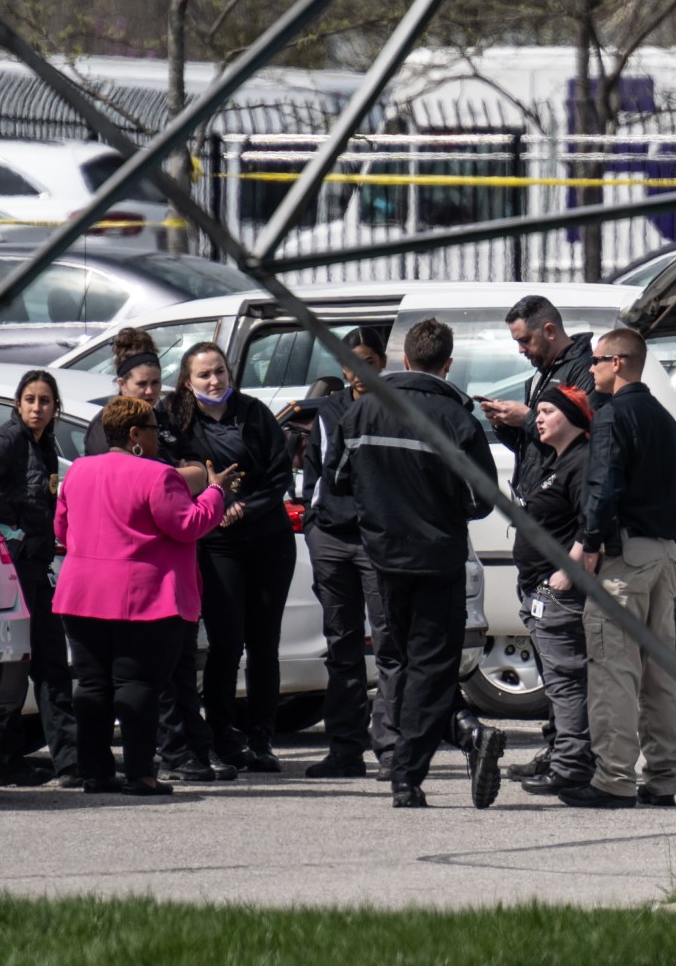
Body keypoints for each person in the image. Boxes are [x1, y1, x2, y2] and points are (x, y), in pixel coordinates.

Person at [332, 317, 502, 808]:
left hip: (383, 559)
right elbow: (483, 499)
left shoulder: (361, 414)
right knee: (430, 666)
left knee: (402, 664)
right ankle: (411, 769)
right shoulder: (457, 421)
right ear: (447, 364)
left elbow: (340, 481)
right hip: (437, 558)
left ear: (404, 360)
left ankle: (450, 741)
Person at [54, 395, 237, 795]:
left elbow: (62, 531)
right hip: (142, 598)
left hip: (81, 595)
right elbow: (187, 525)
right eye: (154, 430)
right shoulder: (158, 476)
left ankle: (96, 773)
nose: (159, 437)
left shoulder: (78, 471)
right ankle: (140, 774)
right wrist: (215, 493)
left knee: (93, 686)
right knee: (137, 686)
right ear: (135, 434)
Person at [565, 326, 676, 810]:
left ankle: (614, 779)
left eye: (596, 360)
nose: (590, 369)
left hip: (627, 556)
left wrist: (590, 544)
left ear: (617, 362)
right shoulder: (663, 416)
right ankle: (664, 778)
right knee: (660, 672)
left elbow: (603, 484)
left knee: (614, 669)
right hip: (665, 553)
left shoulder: (613, 415)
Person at [164, 342, 297, 773]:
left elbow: (279, 475)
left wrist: (245, 507)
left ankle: (261, 739)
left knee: (265, 645)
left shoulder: (254, 412)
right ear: (188, 381)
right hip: (216, 542)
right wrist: (217, 505)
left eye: (219, 371)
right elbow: (167, 478)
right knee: (226, 642)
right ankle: (222, 736)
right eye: (203, 375)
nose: (214, 380)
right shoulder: (176, 419)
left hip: (268, 538)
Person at [0, 369, 79, 788]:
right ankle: (5, 761)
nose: (37, 408)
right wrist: (11, 523)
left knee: (49, 662)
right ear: (18, 404)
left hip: (36, 563)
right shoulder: (9, 439)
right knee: (21, 660)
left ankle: (66, 762)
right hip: (15, 565)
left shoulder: (44, 444)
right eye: (29, 400)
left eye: (45, 401)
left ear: (54, 408)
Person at [300, 341, 388, 780]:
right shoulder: (329, 410)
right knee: (342, 645)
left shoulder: (394, 406)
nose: (358, 373)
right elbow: (312, 475)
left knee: (389, 644)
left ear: (383, 364)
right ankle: (345, 749)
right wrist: (315, 524)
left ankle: (392, 749)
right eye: (351, 365)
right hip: (331, 537)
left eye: (367, 364)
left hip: (377, 541)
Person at [510, 384, 597, 796]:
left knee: (566, 680)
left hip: (558, 592)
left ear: (573, 417)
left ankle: (572, 765)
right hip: (537, 589)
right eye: (537, 411)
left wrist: (568, 571)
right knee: (556, 679)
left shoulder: (581, 462)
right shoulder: (553, 461)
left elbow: (592, 523)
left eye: (547, 410)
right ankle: (564, 755)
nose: (538, 418)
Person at [475, 294, 596, 501]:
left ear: (549, 331)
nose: (521, 350)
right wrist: (503, 423)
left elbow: (582, 440)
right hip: (533, 505)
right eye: (517, 342)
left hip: (561, 507)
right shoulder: (540, 374)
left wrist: (527, 418)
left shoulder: (585, 370)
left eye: (525, 340)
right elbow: (532, 449)